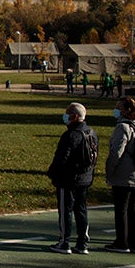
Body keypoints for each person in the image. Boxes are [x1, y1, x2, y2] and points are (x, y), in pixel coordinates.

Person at [46, 102, 98, 254]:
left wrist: (53, 173)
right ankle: (82, 242)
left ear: (74, 116)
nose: (65, 116)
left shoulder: (70, 135)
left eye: (67, 114)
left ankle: (64, 242)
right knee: (81, 209)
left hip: (68, 178)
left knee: (65, 210)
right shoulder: (92, 132)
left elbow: (61, 158)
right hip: (85, 177)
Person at [105, 96, 135, 253]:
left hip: (125, 173)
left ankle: (121, 242)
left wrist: (109, 172)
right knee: (134, 208)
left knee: (121, 208)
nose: (116, 110)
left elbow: (116, 152)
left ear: (127, 110)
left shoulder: (122, 127)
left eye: (119, 107)